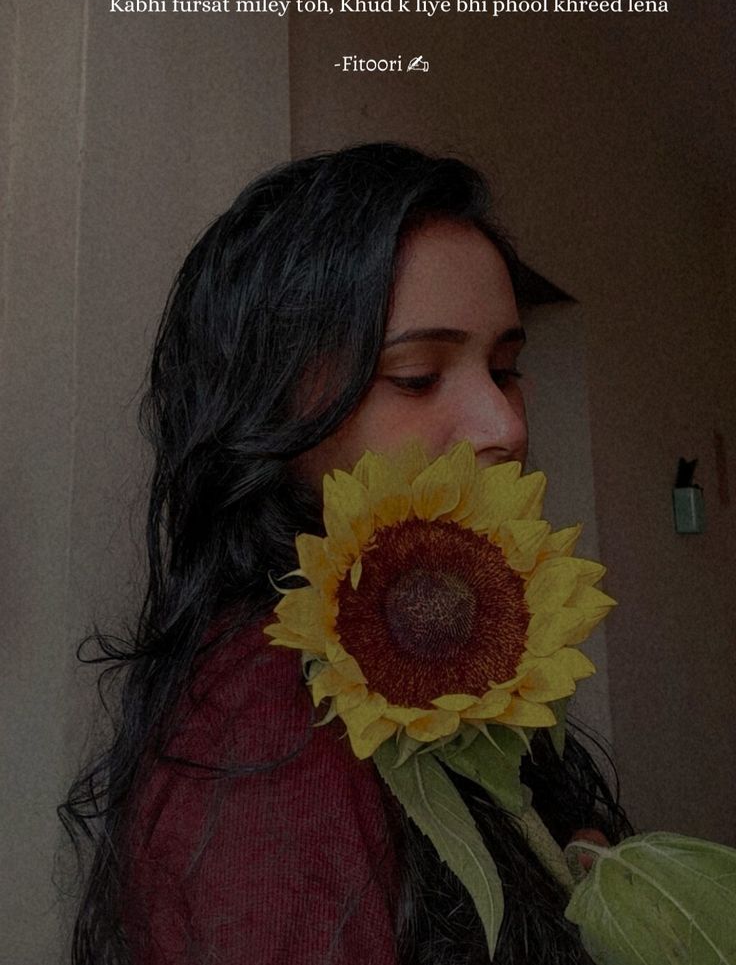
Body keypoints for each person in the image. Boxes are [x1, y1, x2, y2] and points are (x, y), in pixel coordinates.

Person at [61, 143, 632, 964]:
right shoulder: (270, 723)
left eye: (505, 369)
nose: (506, 426)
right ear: (270, 406)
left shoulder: (417, 646)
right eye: (416, 375)